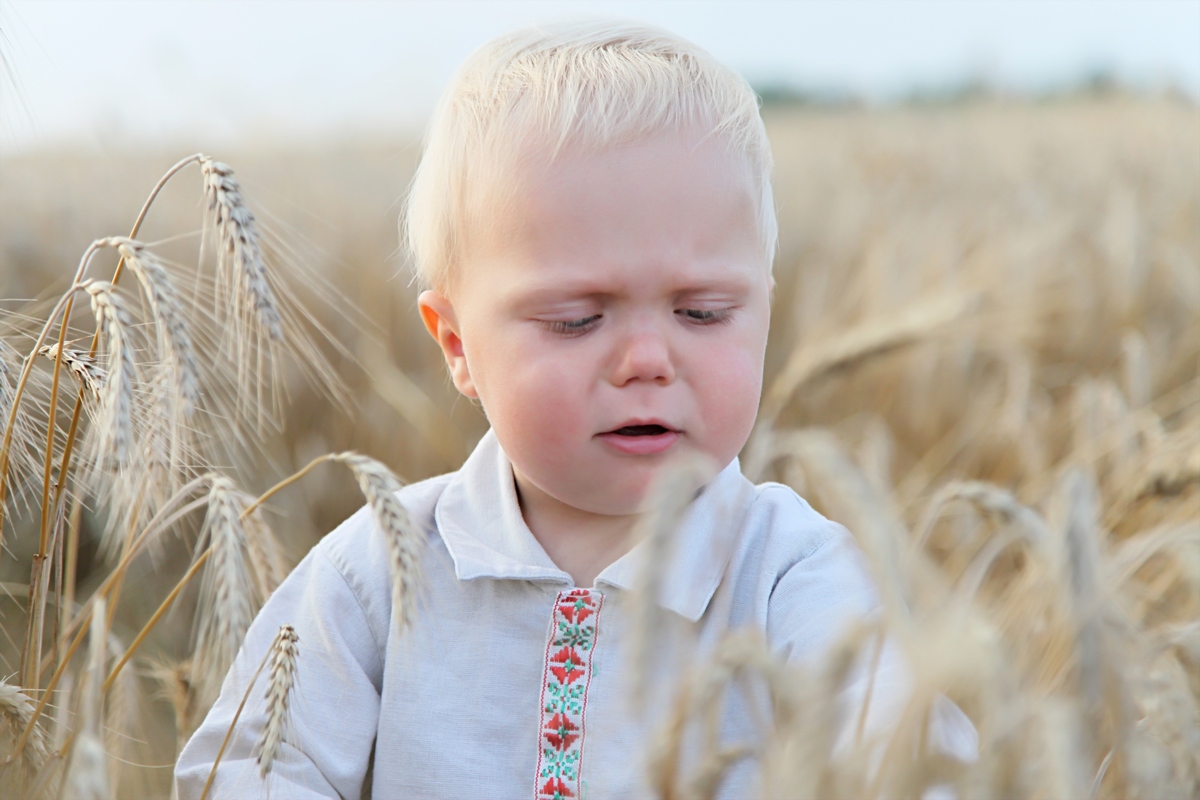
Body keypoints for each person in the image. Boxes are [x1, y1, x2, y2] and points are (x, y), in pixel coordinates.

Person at [175, 20, 954, 799]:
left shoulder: (794, 576)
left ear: (764, 314)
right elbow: (251, 772)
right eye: (576, 320)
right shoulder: (377, 573)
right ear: (457, 344)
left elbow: (914, 762)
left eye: (705, 312)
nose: (648, 359)